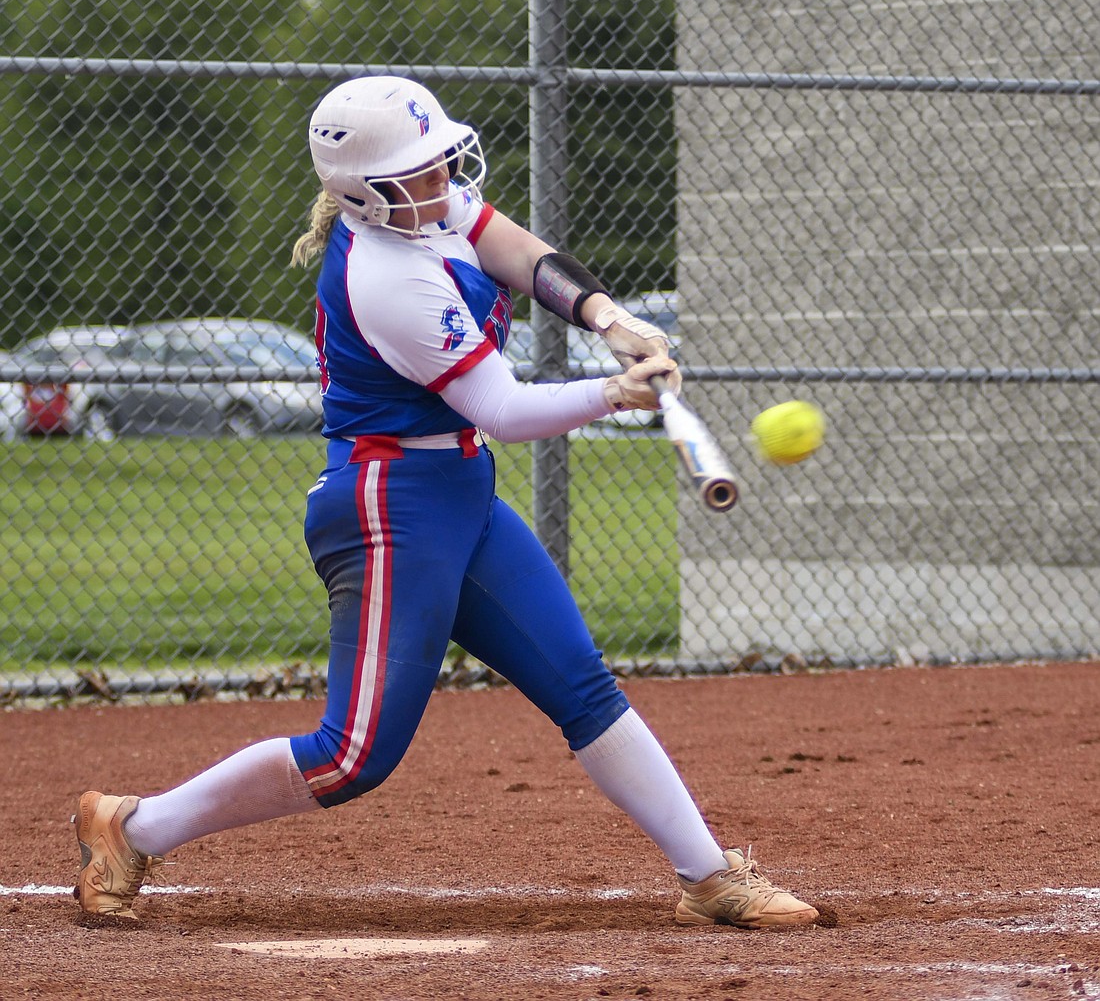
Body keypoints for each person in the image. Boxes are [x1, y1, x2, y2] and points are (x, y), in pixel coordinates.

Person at [72, 76, 818, 930]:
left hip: (456, 493)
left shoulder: (423, 205)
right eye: (418, 176)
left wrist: (606, 316)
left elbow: (515, 249)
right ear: (365, 193)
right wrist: (615, 394)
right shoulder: (388, 277)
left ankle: (709, 875)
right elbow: (502, 409)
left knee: (583, 686)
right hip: (390, 508)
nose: (443, 186)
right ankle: (133, 827)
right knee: (352, 759)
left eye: (439, 167)